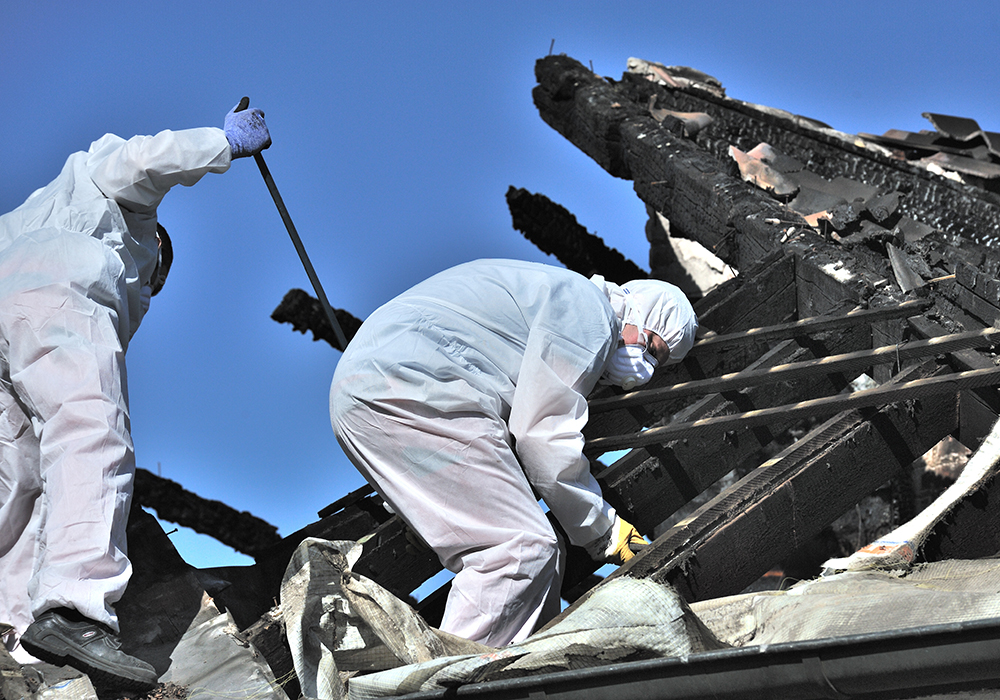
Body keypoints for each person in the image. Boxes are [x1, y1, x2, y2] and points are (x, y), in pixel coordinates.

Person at [0, 102, 271, 689]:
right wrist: (222, 143)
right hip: (53, 279)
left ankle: (13, 635)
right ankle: (75, 606)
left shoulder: (29, 216)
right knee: (90, 428)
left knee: (23, 481)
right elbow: (144, 159)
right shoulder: (112, 210)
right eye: (155, 276)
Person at [330, 258, 698, 647]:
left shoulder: (549, 290)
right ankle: (444, 686)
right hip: (415, 385)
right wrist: (604, 530)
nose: (648, 370)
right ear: (639, 311)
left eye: (660, 364)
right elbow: (541, 435)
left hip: (365, 393)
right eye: (654, 349)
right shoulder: (590, 311)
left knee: (529, 558)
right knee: (522, 551)